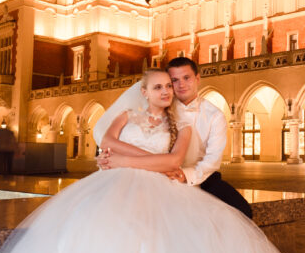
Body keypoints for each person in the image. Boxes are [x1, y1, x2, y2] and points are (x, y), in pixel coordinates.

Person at [0, 69, 287, 253]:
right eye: (160, 86)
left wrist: (124, 160)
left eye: (170, 85)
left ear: (195, 79)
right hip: (122, 181)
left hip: (181, 178)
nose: (169, 90)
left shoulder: (185, 123)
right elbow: (107, 140)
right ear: (143, 92)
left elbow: (178, 161)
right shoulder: (127, 114)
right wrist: (123, 159)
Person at [98, 57, 253, 218]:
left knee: (242, 210)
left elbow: (212, 159)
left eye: (186, 78)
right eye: (174, 80)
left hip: (199, 174)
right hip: (155, 171)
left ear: (197, 79)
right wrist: (109, 155)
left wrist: (185, 175)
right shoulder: (159, 105)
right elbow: (126, 136)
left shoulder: (215, 115)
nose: (181, 84)